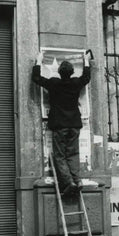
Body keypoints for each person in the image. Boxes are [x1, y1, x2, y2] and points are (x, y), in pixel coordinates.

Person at [32, 50, 92, 196]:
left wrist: (39, 61)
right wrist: (86, 60)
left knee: (60, 156)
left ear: (59, 72)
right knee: (73, 154)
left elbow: (36, 78)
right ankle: (77, 181)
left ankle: (68, 182)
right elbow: (86, 77)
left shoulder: (54, 83)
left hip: (59, 125)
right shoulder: (76, 83)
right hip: (74, 124)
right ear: (72, 72)